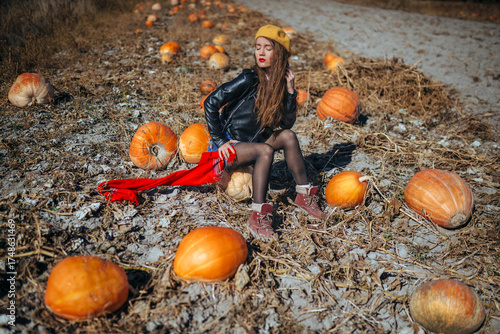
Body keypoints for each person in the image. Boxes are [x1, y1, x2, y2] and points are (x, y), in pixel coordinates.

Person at [204, 25, 321, 241]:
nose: (261, 53)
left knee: (288, 136)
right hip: (228, 149)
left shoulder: (278, 85)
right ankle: (258, 214)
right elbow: (211, 102)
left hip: (252, 145)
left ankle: (304, 194)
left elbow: (287, 123)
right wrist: (220, 140)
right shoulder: (249, 79)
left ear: (280, 54)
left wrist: (290, 93)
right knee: (265, 150)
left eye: (268, 48)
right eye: (258, 47)